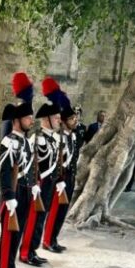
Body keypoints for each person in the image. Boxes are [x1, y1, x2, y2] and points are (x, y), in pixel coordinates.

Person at [0, 72, 35, 268]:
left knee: (18, 233)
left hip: (26, 190)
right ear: (17, 120)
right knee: (9, 234)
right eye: (28, 117)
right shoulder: (9, 142)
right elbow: (4, 171)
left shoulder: (26, 142)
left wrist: (33, 187)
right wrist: (8, 196)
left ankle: (11, 267)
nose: (31, 120)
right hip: (14, 191)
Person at [20, 78, 63, 267]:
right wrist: (33, 184)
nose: (58, 121)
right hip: (39, 184)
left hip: (49, 183)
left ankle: (33, 249)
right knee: (34, 218)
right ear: (46, 119)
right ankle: (25, 252)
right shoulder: (36, 138)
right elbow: (28, 164)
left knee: (42, 217)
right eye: (56, 118)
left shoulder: (53, 139)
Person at [43, 84, 79, 253]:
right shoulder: (58, 138)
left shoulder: (72, 136)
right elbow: (56, 162)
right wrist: (59, 180)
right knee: (55, 211)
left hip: (70, 178)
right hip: (60, 179)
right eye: (72, 119)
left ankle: (54, 238)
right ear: (64, 122)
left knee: (62, 211)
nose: (75, 121)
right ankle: (47, 240)